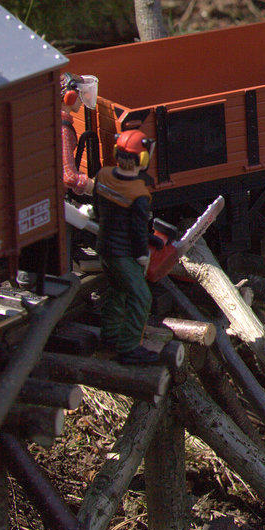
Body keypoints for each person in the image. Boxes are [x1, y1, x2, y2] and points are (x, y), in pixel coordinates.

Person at [94, 129, 160, 365]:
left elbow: (96, 207)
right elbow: (137, 230)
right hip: (123, 253)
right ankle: (129, 348)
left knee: (117, 290)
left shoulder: (102, 176)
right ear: (141, 159)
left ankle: (110, 335)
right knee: (141, 297)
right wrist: (143, 256)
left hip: (103, 248)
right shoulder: (139, 193)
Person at [60, 73, 95, 196]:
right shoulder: (63, 129)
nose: (82, 99)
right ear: (70, 96)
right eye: (80, 94)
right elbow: (69, 176)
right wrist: (93, 187)